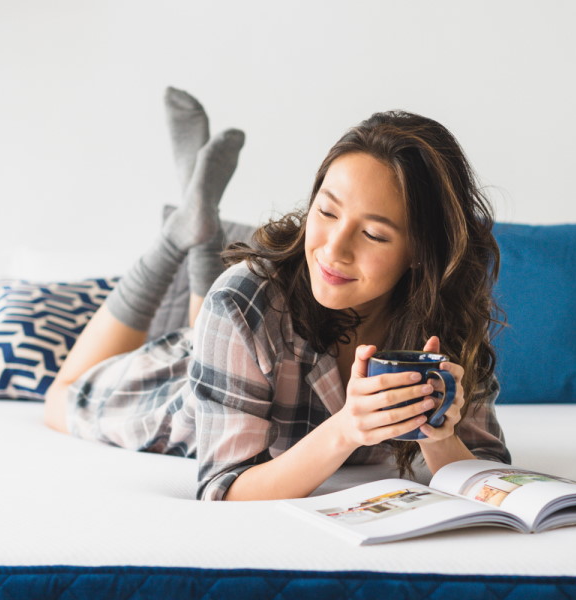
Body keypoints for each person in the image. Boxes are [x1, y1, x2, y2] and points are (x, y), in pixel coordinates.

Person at [43, 87, 509, 501]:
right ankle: (178, 237)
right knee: (60, 399)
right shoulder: (242, 300)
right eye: (326, 212)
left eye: (373, 234)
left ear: (420, 254)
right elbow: (223, 489)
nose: (333, 249)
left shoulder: (442, 315)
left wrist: (438, 434)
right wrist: (347, 427)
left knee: (221, 316)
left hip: (244, 344)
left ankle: (202, 229)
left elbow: (487, 470)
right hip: (185, 388)